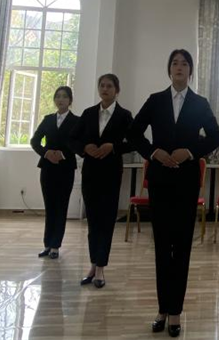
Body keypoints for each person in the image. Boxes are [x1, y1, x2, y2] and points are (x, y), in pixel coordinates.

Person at [129, 49, 219, 338]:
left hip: (186, 182)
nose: (179, 67)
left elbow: (216, 136)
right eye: (174, 63)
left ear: (190, 71)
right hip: (160, 180)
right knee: (161, 245)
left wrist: (191, 151)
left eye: (184, 63)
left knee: (181, 246)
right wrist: (153, 152)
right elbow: (134, 133)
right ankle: (161, 308)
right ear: (169, 70)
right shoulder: (155, 100)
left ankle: (175, 311)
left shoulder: (199, 103)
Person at [70, 74, 133, 288]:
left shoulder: (124, 115)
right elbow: (72, 139)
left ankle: (100, 268)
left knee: (106, 221)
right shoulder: (88, 113)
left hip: (111, 174)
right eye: (102, 86)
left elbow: (135, 141)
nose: (105, 89)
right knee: (93, 221)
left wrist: (113, 147)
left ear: (117, 90)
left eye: (109, 86)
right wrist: (84, 148)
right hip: (90, 174)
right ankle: (93, 264)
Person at [30, 85, 79, 260]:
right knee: (50, 206)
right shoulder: (48, 119)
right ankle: (47, 244)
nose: (61, 99)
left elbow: (79, 144)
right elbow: (35, 141)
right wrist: (46, 153)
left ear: (70, 100)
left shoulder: (77, 121)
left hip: (65, 168)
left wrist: (63, 154)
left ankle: (56, 245)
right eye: (58, 96)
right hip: (48, 168)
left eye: (64, 96)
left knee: (61, 206)